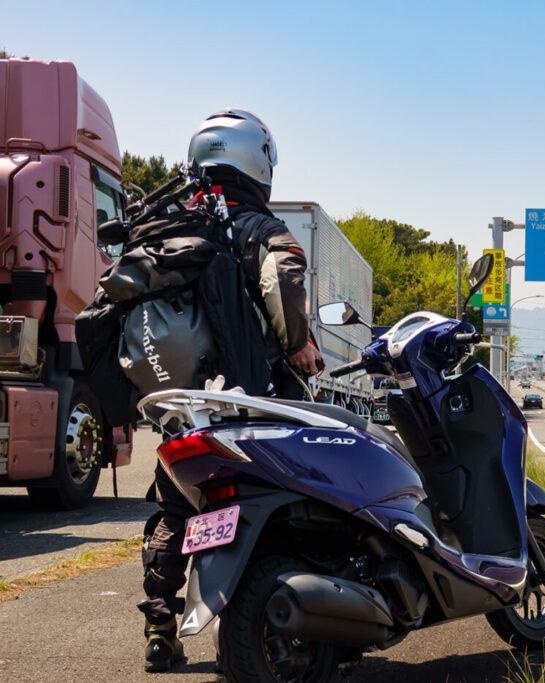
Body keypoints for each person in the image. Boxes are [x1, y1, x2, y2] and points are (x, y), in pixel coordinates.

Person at [139, 109, 322, 672]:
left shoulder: (174, 230)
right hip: (253, 399)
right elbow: (284, 278)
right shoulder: (258, 227)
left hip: (182, 409)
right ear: (257, 160)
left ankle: (159, 626)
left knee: (172, 511)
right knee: (298, 499)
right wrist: (298, 347)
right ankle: (294, 618)